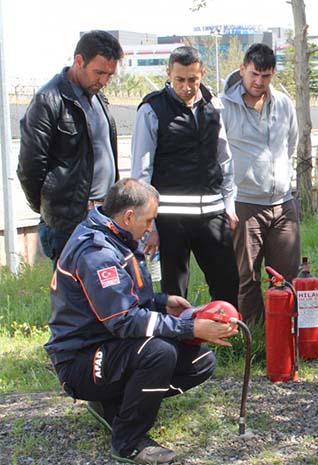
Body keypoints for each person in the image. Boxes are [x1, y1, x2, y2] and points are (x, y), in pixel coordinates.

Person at [45, 178, 237, 464]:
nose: (150, 229)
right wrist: (188, 327)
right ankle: (128, 441)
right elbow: (123, 320)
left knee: (201, 362)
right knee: (159, 353)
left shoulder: (118, 236)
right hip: (80, 360)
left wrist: (163, 302)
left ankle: (113, 405)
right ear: (129, 216)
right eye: (148, 221)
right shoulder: (96, 253)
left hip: (111, 345)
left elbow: (128, 296)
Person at [131, 46, 239, 306]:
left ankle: (226, 340)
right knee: (175, 293)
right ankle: (176, 344)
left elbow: (224, 159)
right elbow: (141, 173)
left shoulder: (213, 106)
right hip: (170, 219)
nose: (187, 86)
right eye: (180, 79)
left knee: (228, 283)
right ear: (169, 73)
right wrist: (150, 225)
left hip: (212, 215)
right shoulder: (152, 110)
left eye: (193, 79)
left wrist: (229, 204)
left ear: (202, 74)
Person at [17, 30, 123, 265]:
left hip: (104, 215)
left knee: (106, 294)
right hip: (69, 223)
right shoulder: (49, 100)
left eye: (109, 75)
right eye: (99, 72)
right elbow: (30, 167)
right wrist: (50, 208)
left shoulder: (99, 99)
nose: (104, 81)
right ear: (78, 61)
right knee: (72, 297)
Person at [221, 43, 300, 324]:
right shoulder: (224, 107)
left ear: (273, 74)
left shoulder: (283, 104)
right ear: (242, 69)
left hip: (282, 203)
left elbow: (290, 144)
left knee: (287, 278)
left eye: (266, 76)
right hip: (245, 203)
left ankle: (287, 336)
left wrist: (278, 178)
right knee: (248, 277)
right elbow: (220, 154)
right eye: (254, 74)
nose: (259, 82)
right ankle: (253, 340)